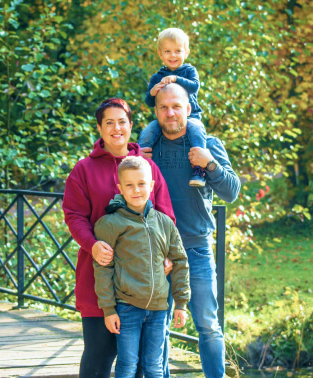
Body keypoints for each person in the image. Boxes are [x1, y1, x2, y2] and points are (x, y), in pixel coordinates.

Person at [62, 98, 175, 378]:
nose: (116, 128)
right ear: (99, 128)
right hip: (99, 278)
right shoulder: (83, 170)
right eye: (109, 123)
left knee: (138, 364)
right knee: (98, 358)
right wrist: (92, 244)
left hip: (143, 283)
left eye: (122, 122)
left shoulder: (147, 169)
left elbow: (166, 216)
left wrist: (167, 254)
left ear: (131, 126)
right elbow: (74, 215)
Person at [139, 83, 241, 378]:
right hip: (155, 251)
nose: (170, 113)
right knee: (159, 327)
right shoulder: (147, 148)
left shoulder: (208, 143)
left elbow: (231, 192)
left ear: (188, 108)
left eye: (176, 106)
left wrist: (210, 165)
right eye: (163, 107)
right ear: (156, 111)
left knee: (208, 325)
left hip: (196, 249)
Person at [93, 156, 190, 378]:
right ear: (120, 188)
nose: (136, 190)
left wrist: (181, 303)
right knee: (127, 364)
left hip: (159, 308)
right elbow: (103, 269)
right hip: (127, 307)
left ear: (152, 185)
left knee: (154, 366)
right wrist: (108, 309)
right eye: (129, 185)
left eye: (142, 184)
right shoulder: (111, 224)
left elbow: (180, 261)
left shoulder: (164, 222)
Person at [139, 27, 206, 187]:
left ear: (186, 52)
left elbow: (194, 87)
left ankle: (198, 170)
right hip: (164, 119)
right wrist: (153, 92)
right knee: (147, 133)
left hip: (191, 117)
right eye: (168, 51)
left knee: (197, 132)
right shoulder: (157, 77)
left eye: (177, 51)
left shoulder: (189, 71)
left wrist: (176, 79)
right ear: (160, 54)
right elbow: (149, 101)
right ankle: (138, 167)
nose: (173, 55)